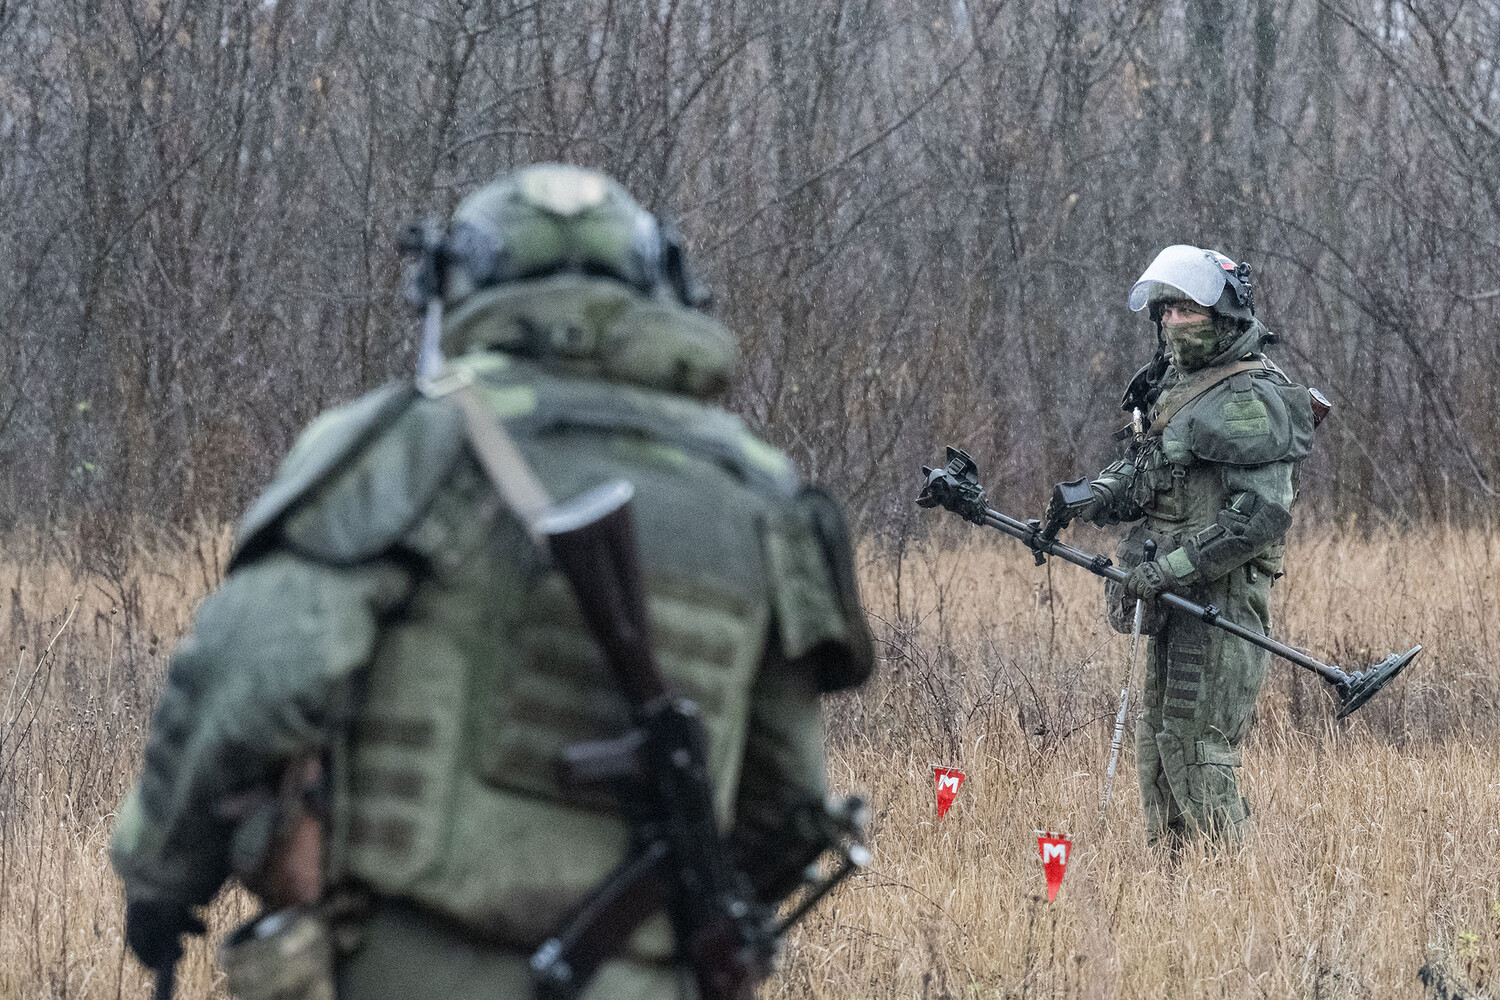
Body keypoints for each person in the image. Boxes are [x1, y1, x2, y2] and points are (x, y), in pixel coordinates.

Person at [110, 163, 874, 999]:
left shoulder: (401, 446)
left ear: (458, 287)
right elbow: (792, 807)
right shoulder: (763, 494)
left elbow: (250, 675)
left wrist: (162, 878)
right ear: (664, 288)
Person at [1049, 245, 1314, 850]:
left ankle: (1232, 883)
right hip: (1169, 592)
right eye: (1164, 311)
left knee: (1199, 745)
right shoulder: (1173, 387)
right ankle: (1176, 881)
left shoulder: (1249, 398)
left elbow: (1259, 518)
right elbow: (1147, 470)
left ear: (1222, 315)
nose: (1171, 322)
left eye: (1186, 311)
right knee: (1159, 739)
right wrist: (1086, 496)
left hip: (1218, 594)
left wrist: (1171, 568)